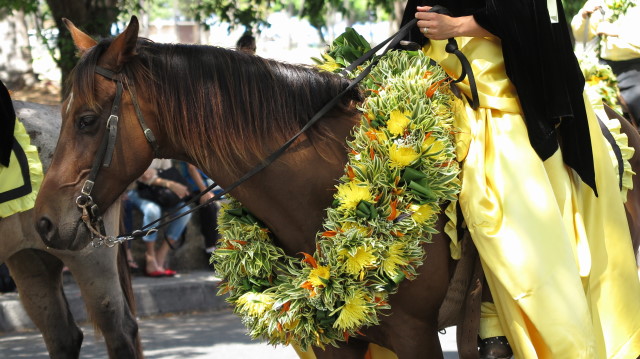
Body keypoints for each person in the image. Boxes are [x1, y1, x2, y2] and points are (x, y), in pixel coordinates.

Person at [400, 1, 640, 358]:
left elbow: (532, 15)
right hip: (434, 74)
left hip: (506, 88)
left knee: (503, 184)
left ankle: (500, 318)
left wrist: (457, 26)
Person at [571, 0, 640, 125]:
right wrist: (583, 15)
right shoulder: (602, 1)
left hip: (634, 67)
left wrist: (618, 32)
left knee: (637, 97)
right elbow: (581, 36)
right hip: (604, 67)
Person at [125, 159, 192, 277]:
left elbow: (168, 171)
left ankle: (161, 254)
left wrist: (155, 171)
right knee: (152, 211)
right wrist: (169, 184)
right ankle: (150, 256)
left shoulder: (163, 150)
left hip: (158, 192)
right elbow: (142, 177)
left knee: (185, 212)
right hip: (135, 191)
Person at [180, 162, 223, 256]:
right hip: (195, 186)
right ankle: (211, 249)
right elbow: (191, 168)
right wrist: (204, 191)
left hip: (213, 185)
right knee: (208, 205)